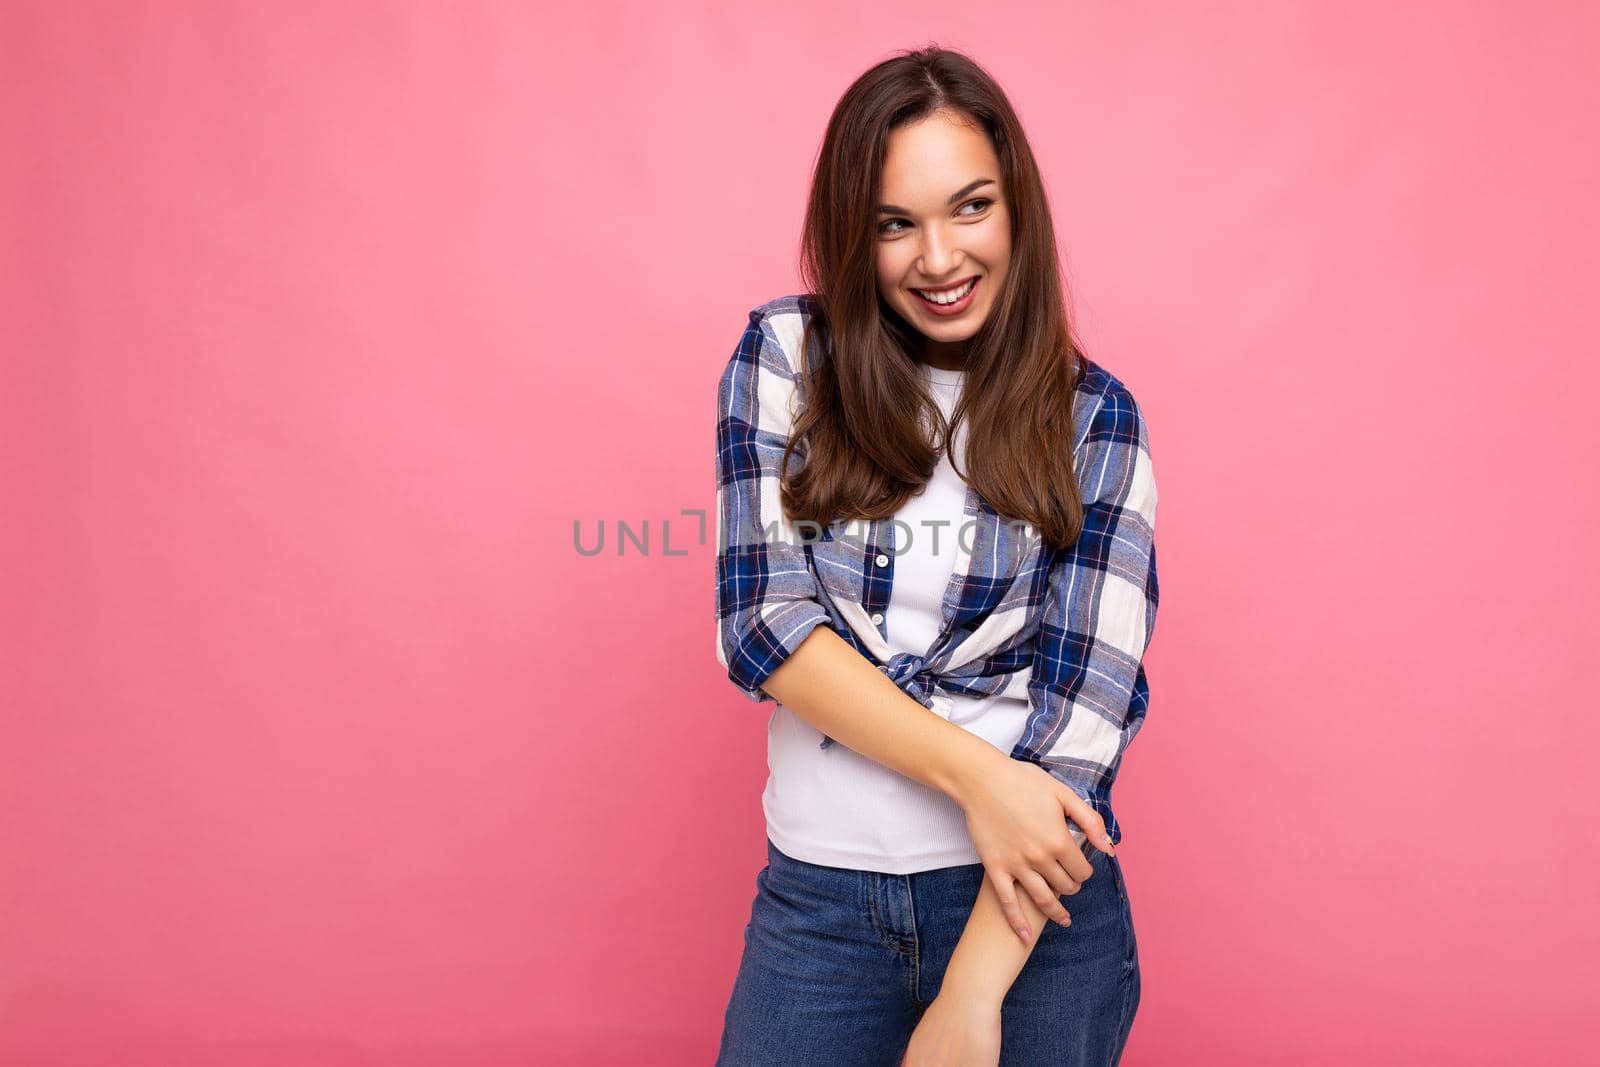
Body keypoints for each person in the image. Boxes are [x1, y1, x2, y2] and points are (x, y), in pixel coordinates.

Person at [712, 46, 1159, 1067]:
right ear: (851, 232)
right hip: (816, 907)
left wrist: (969, 998)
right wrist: (979, 779)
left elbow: (1082, 724)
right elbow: (763, 627)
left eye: (970, 207)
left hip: (1029, 916)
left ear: (1016, 211)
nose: (939, 257)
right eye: (893, 223)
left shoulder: (1096, 420)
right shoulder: (784, 359)